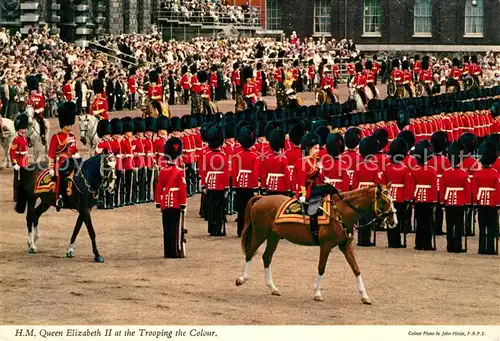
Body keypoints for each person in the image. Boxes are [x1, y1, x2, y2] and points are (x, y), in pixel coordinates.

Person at [156, 137, 187, 258]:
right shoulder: (179, 172)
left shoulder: (163, 170)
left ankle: (167, 251)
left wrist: (158, 202)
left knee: (166, 228)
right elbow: (182, 190)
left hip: (165, 203)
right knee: (174, 228)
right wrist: (183, 204)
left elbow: (159, 187)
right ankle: (174, 252)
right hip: (175, 203)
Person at [48, 102, 80, 211]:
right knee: (60, 177)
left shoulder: (72, 136)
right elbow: (51, 153)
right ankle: (59, 198)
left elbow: (75, 149)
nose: (70, 127)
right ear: (63, 124)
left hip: (72, 160)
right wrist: (51, 167)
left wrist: (76, 154)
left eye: (71, 125)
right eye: (68, 125)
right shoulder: (56, 137)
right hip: (60, 162)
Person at [381, 138, 413, 248]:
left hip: (389, 196)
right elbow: (407, 186)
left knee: (390, 218)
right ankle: (397, 242)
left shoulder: (387, 168)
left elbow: (383, 184)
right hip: (400, 197)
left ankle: (391, 241)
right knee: (398, 219)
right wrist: (407, 199)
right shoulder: (404, 169)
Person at [351, 135, 382, 246]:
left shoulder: (358, 167)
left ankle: (360, 239)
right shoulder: (375, 167)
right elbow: (378, 183)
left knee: (361, 216)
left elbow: (354, 183)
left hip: (360, 193)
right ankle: (366, 239)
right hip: (369, 193)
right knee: (368, 216)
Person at [200, 123, 229, 237]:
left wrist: (203, 185)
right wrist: (226, 187)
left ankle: (211, 228)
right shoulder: (224, 156)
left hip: (210, 184)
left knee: (211, 207)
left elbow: (203, 171)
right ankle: (218, 228)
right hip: (220, 184)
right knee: (219, 209)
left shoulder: (207, 155)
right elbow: (226, 173)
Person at [232, 124, 260, 237]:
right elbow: (255, 173)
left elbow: (234, 172)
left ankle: (240, 231)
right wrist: (256, 186)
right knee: (250, 209)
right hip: (249, 185)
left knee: (241, 209)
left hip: (239, 184)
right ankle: (249, 230)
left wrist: (234, 184)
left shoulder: (237, 155)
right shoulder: (255, 156)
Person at [472, 142, 500, 255]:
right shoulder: (495, 174)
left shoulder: (477, 174)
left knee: (482, 226)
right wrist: (498, 204)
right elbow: (498, 191)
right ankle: (490, 248)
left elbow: (474, 190)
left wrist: (474, 202)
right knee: (492, 226)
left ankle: (481, 248)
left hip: (480, 202)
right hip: (492, 202)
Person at [411, 140, 438, 251]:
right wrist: (434, 200)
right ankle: (427, 244)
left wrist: (413, 198)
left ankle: (418, 243)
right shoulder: (432, 171)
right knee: (427, 223)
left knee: (419, 222)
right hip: (428, 199)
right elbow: (433, 188)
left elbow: (412, 186)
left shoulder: (414, 170)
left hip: (418, 198)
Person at [429, 131, 451, 235]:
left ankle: (431, 227)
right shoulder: (445, 160)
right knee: (439, 209)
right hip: (441, 186)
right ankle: (438, 228)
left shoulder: (429, 159)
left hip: (430, 186)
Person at [261, 128, 290, 196]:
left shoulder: (267, 157)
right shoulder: (283, 159)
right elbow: (287, 176)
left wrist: (263, 186)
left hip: (269, 187)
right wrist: (288, 189)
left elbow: (264, 174)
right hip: (281, 188)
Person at [9, 114, 29, 202]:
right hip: (18, 161)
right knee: (17, 180)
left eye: (25, 128)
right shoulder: (16, 139)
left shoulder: (24, 138)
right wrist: (14, 163)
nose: (24, 130)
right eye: (23, 128)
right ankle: (16, 196)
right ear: (19, 129)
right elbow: (12, 152)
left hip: (24, 161)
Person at [95, 119, 113, 209]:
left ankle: (108, 203)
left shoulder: (108, 143)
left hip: (109, 166)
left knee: (109, 184)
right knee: (103, 186)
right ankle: (101, 203)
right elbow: (97, 154)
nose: (109, 135)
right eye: (107, 134)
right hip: (103, 167)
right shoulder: (101, 144)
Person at [25, 75, 47, 145]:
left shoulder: (40, 97)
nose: (33, 91)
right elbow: (27, 105)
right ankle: (26, 137)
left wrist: (38, 110)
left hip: (38, 114)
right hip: (30, 114)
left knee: (42, 122)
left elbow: (43, 106)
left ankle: (43, 136)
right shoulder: (29, 98)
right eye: (32, 90)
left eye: (34, 90)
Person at [120, 117, 135, 206]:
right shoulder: (123, 141)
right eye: (130, 132)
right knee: (124, 183)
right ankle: (123, 200)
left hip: (130, 165)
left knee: (129, 183)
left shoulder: (129, 141)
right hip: (125, 165)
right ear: (126, 132)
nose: (131, 133)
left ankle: (128, 199)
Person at [110, 118, 124, 208]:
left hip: (120, 164)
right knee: (113, 184)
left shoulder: (120, 141)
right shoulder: (113, 142)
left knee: (118, 184)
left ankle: (116, 201)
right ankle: (112, 201)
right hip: (113, 165)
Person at [132, 118, 146, 204]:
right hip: (136, 163)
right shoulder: (134, 141)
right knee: (135, 182)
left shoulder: (142, 141)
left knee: (142, 181)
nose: (142, 133)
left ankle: (142, 197)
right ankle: (135, 198)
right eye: (140, 132)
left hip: (143, 163)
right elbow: (132, 153)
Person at [144, 117, 156, 202]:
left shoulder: (151, 140)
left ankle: (148, 195)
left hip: (150, 162)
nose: (151, 133)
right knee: (146, 180)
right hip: (144, 162)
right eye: (149, 131)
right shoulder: (144, 141)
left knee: (150, 180)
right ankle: (145, 196)